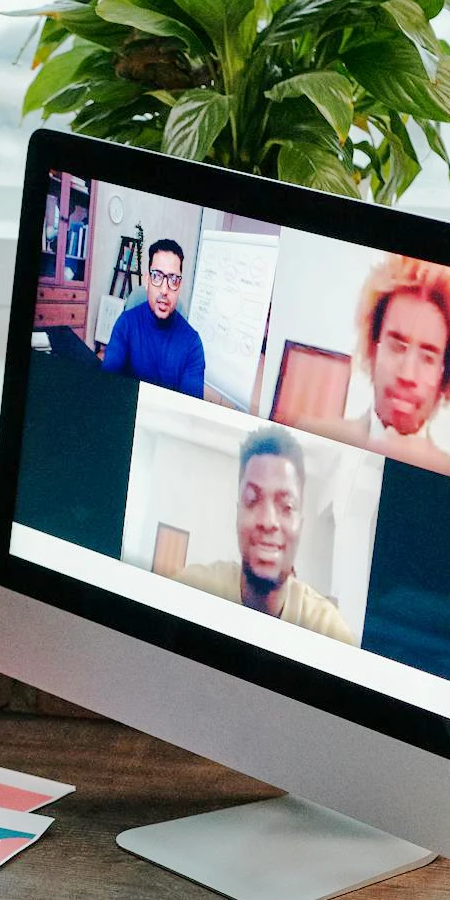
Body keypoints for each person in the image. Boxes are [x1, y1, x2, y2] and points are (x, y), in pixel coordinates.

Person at [304, 254, 450, 482]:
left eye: (427, 358)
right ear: (373, 348)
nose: (407, 374)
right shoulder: (310, 442)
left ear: (446, 373)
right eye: (396, 347)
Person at [173, 425, 355, 642]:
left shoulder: (328, 633)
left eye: (286, 506)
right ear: (237, 514)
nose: (268, 522)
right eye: (252, 500)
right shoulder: (189, 593)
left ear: (300, 525)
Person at [101, 237, 206, 397]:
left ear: (179, 286)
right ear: (147, 280)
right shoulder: (126, 325)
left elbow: (189, 413)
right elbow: (107, 387)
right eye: (157, 276)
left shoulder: (193, 344)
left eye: (173, 279)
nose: (164, 289)